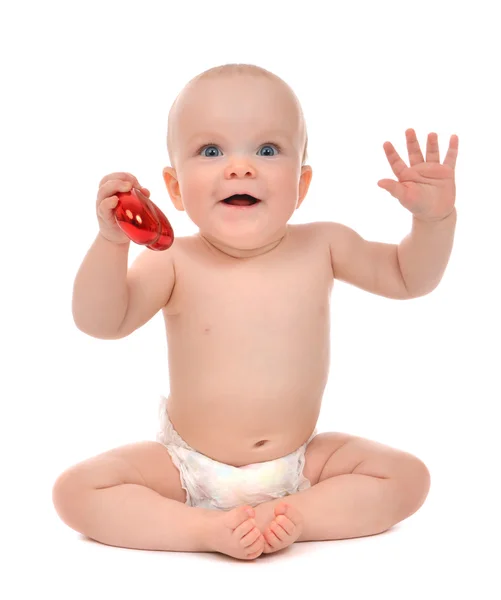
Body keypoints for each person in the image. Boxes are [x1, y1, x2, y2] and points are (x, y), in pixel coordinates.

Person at [52, 63, 458, 561]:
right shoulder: (174, 259)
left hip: (299, 464)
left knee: (408, 478)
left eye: (267, 150)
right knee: (76, 491)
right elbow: (101, 321)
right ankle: (199, 529)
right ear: (175, 189)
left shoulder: (324, 244)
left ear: (301, 184)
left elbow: (406, 275)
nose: (240, 167)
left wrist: (434, 221)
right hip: (188, 466)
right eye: (211, 150)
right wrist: (111, 242)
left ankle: (293, 518)